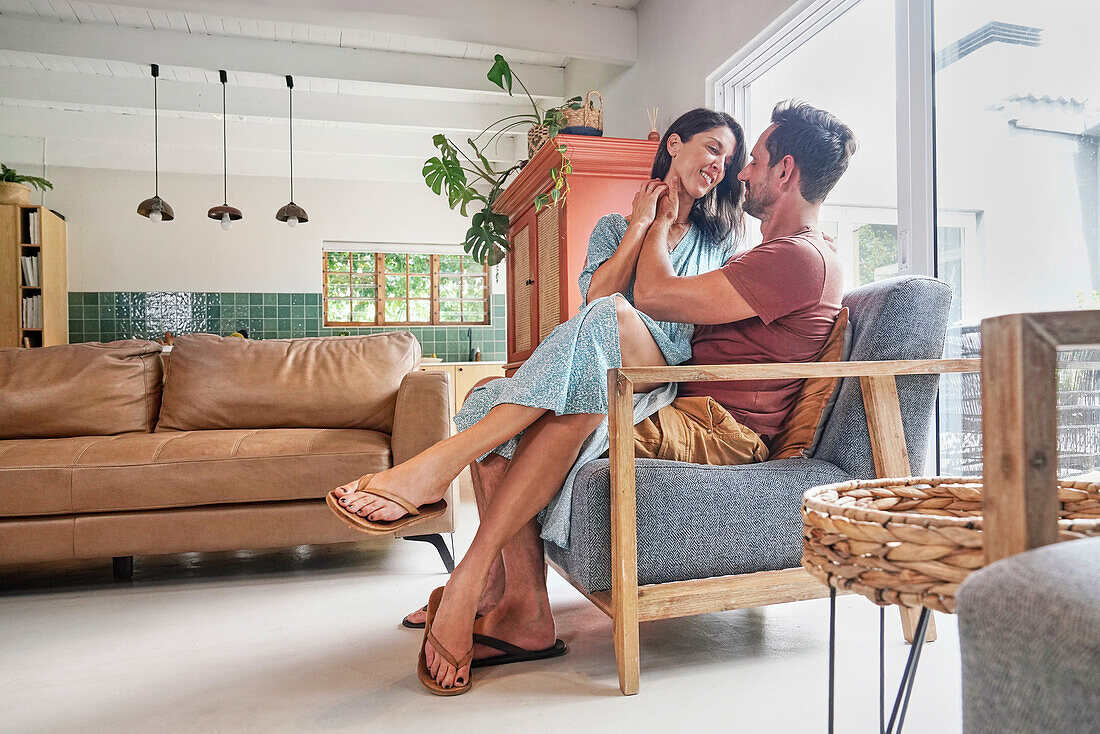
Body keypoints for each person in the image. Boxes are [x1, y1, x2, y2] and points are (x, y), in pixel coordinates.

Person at [327, 108, 748, 693]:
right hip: (606, 364)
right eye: (711, 147)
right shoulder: (611, 225)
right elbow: (597, 293)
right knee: (487, 394)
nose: (720, 164)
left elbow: (653, 310)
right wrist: (640, 224)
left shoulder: (720, 238)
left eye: (728, 158)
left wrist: (663, 230)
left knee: (608, 318)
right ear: (674, 144)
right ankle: (517, 602)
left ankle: (447, 500)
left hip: (660, 369)